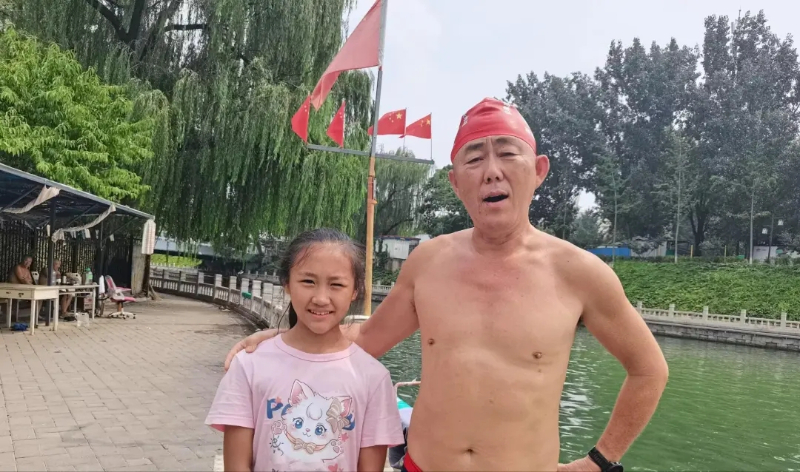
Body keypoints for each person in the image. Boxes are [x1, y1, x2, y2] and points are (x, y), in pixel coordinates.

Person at [225, 98, 669, 471]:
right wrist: (287, 342)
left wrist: (599, 461)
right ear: (456, 182)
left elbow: (649, 369)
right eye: (474, 159)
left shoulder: (580, 273)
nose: (491, 171)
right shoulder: (428, 262)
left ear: (538, 170)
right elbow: (367, 339)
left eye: (507, 154)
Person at [206, 228, 404, 472]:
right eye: (308, 281)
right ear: (287, 283)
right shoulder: (249, 365)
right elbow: (237, 466)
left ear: (355, 290)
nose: (320, 298)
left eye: (336, 284)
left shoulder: (374, 378)